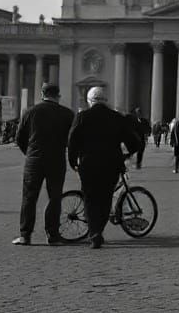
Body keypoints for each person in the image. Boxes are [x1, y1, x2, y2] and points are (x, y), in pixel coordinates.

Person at [67, 86, 143, 249]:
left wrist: (73, 161)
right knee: (105, 198)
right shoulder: (116, 117)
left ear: (89, 101)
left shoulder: (82, 117)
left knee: (90, 198)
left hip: (88, 165)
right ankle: (98, 231)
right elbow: (135, 142)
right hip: (111, 164)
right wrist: (125, 155)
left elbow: (72, 141)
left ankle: (94, 232)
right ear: (105, 100)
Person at [12, 82, 75, 246]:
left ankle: (25, 235)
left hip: (34, 160)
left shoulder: (30, 112)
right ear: (58, 96)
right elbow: (73, 139)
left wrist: (30, 153)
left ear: (42, 94)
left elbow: (19, 137)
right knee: (55, 198)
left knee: (29, 198)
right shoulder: (67, 114)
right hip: (56, 160)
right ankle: (52, 235)